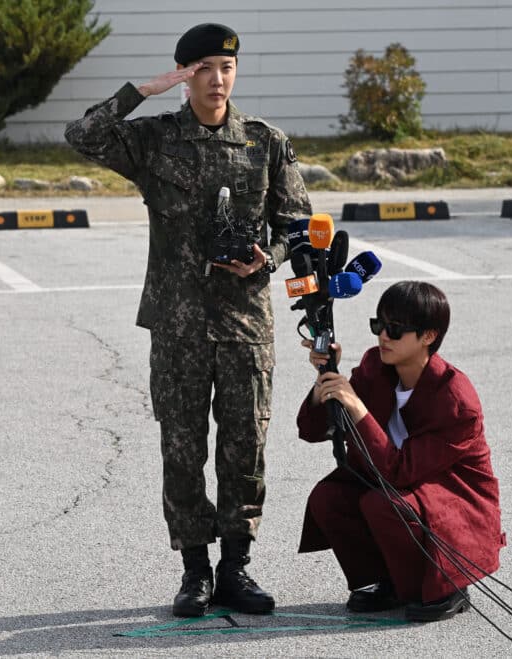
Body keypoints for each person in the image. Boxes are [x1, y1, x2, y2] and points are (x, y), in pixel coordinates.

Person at [64, 23, 312, 617]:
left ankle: (236, 567)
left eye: (225, 67)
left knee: (244, 446)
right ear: (184, 76)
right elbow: (82, 135)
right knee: (182, 450)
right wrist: (143, 91)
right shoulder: (154, 142)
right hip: (177, 327)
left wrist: (268, 257)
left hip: (245, 323)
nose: (217, 79)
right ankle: (195, 571)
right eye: (202, 68)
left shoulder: (263, 143)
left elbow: (297, 222)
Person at [297, 281, 506, 622]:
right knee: (329, 497)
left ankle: (447, 585)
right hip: (403, 491)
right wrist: (325, 381)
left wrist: (356, 407)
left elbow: (398, 471)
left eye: (395, 330)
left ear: (428, 337)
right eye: (378, 325)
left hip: (455, 505)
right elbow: (311, 431)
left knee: (382, 502)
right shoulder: (374, 366)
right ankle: (388, 581)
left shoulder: (456, 400)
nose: (383, 337)